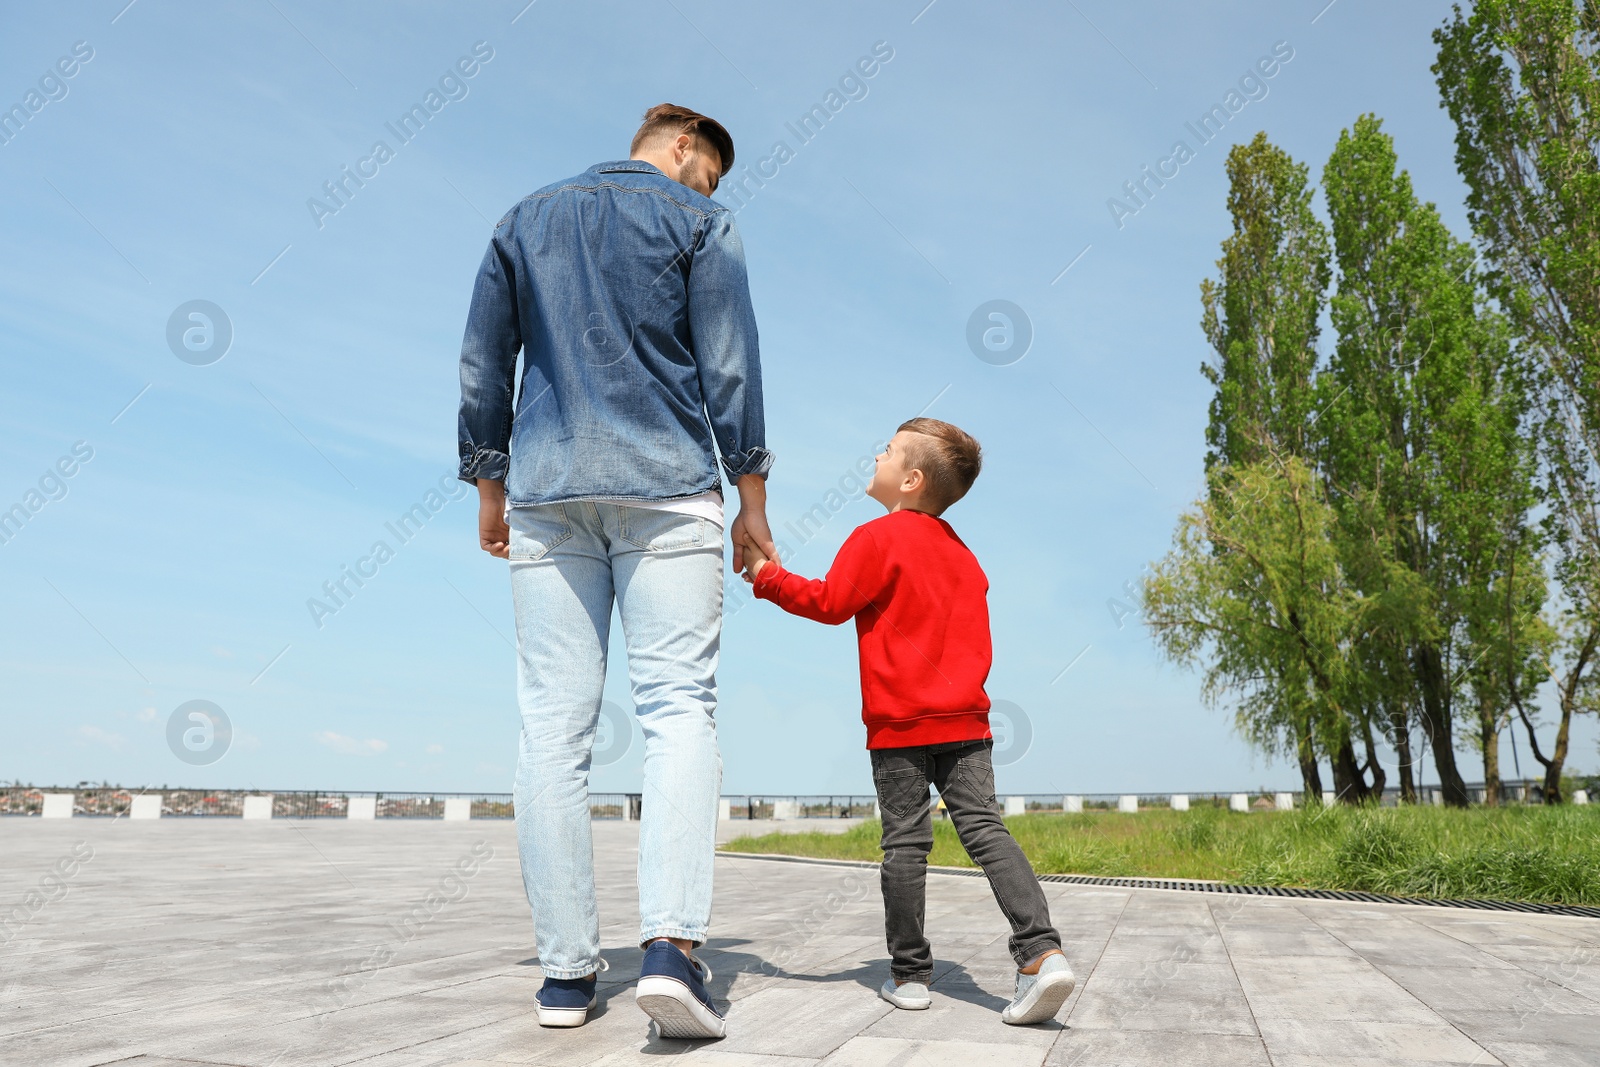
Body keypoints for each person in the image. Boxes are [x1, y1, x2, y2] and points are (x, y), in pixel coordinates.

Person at [456, 103, 778, 1039]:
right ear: (682, 147)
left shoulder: (525, 218)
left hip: (548, 494)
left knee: (552, 726)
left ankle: (564, 976)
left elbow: (484, 362)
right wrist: (752, 504)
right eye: (707, 170)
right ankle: (672, 951)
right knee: (679, 706)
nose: (707, 188)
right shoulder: (701, 223)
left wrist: (489, 485)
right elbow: (731, 366)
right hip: (670, 485)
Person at [738, 418, 1075, 1025]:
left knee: (905, 846)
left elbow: (829, 603)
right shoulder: (964, 555)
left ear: (911, 479)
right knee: (986, 831)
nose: (877, 455)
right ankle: (1041, 953)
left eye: (888, 451)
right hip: (967, 723)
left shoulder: (875, 539)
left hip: (900, 730)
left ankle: (911, 976)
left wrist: (767, 579)